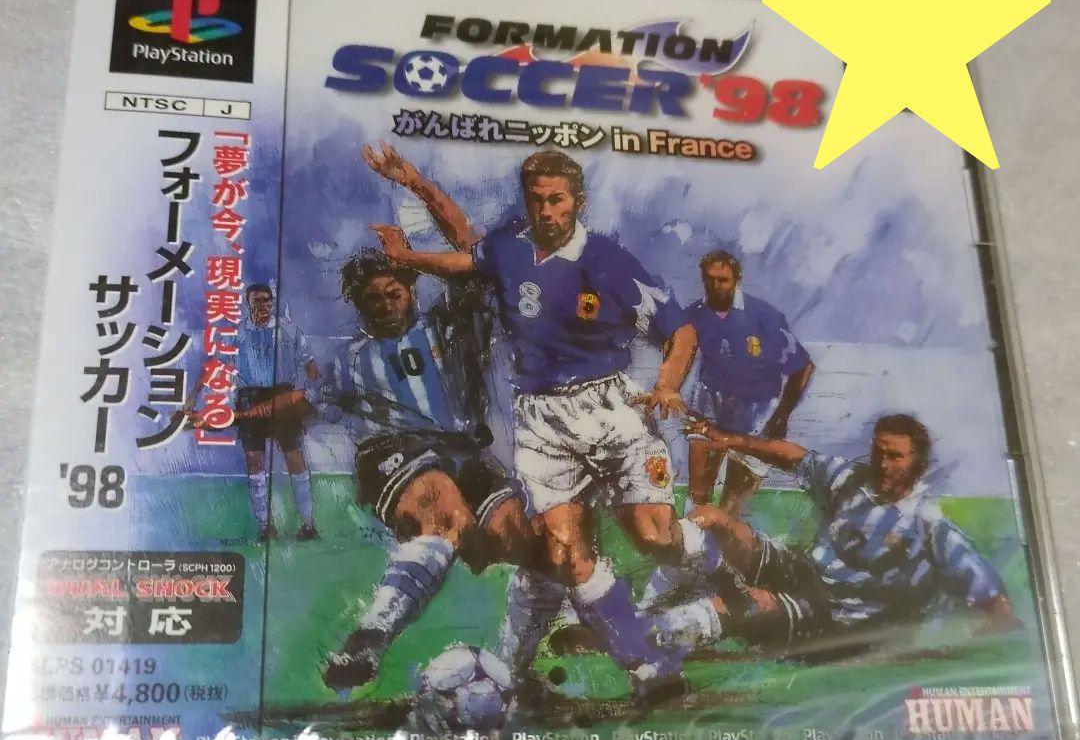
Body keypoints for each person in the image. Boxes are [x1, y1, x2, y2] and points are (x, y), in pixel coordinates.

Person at [366, 144, 695, 698]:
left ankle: (713, 550)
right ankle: (647, 665)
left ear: (578, 201)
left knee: (654, 536)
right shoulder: (511, 247)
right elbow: (466, 251)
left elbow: (679, 331)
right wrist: (412, 203)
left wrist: (667, 384)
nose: (546, 211)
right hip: (541, 422)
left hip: (609, 408)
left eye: (557, 200)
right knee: (564, 553)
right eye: (537, 200)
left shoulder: (610, 263)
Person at [316, 246, 551, 691]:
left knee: (523, 540)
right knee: (445, 516)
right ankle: (368, 640)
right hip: (394, 452)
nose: (386, 306)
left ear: (412, 290)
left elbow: (475, 265)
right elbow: (309, 403)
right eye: (373, 299)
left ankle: (511, 672)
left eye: (394, 293)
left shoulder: (450, 327)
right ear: (359, 304)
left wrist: (411, 250)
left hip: (465, 454)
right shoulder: (349, 362)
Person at [650, 413, 1019, 653]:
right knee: (713, 519)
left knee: (741, 606)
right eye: (879, 453)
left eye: (895, 457)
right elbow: (792, 457)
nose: (883, 464)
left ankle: (653, 636)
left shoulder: (926, 522)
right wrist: (728, 439)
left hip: (835, 615)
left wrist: (990, 624)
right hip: (804, 570)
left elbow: (981, 584)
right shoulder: (851, 480)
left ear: (917, 463)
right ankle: (656, 596)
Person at [685, 250, 814, 512]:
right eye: (709, 279)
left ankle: (724, 533)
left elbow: (803, 366)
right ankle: (693, 534)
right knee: (698, 494)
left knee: (732, 506)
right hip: (710, 402)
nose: (716, 286)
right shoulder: (693, 314)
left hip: (757, 410)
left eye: (723, 280)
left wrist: (782, 416)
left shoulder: (765, 317)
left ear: (737, 279)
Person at [233, 283, 319, 541]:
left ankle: (308, 523)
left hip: (282, 395)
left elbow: (309, 363)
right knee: (254, 461)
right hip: (250, 398)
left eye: (267, 300)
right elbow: (218, 364)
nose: (263, 305)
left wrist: (311, 389)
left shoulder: (289, 330)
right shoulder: (237, 334)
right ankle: (265, 525)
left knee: (294, 456)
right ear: (248, 304)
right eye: (257, 301)